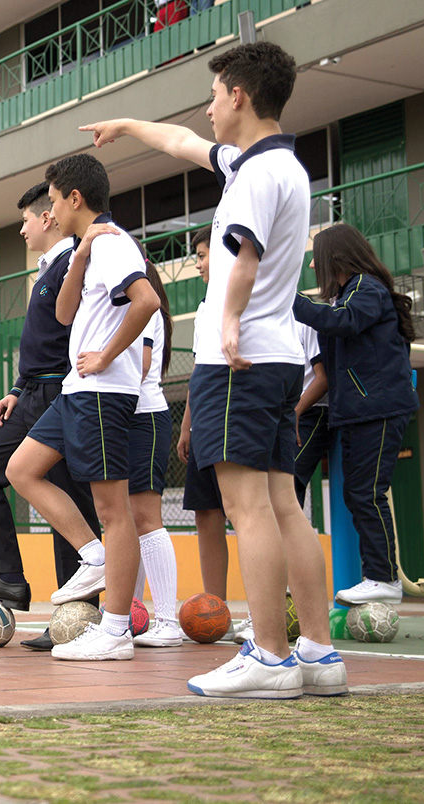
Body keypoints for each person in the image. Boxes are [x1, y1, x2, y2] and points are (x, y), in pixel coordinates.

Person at [79, 40, 346, 698]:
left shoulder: (255, 177)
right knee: (285, 506)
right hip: (278, 354)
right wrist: (128, 126)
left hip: (241, 357)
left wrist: (225, 323)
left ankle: (272, 659)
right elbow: (178, 142)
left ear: (239, 96)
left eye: (213, 94)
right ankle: (317, 651)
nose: (206, 108)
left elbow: (244, 260)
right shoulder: (276, 164)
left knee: (245, 507)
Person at [6, 153, 160, 663]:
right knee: (21, 469)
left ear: (75, 199)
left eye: (52, 201)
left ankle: (115, 629)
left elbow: (147, 302)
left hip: (102, 393)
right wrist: (80, 254)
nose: (48, 211)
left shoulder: (115, 244)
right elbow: (65, 311)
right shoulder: (89, 249)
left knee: (114, 512)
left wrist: (108, 354)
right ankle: (91, 554)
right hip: (76, 390)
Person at [0, 182, 100, 652]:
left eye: (26, 220)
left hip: (61, 390)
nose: (21, 229)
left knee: (67, 498)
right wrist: (17, 388)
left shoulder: (76, 261)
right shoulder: (48, 269)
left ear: (49, 217)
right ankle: (8, 578)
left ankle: (76, 619)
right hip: (34, 392)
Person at [293, 224, 419, 606]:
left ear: (336, 257)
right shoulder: (349, 294)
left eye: (317, 256)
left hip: (377, 408)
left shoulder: (365, 288)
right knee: (358, 493)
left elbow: (343, 321)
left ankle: (382, 576)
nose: (314, 264)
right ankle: (378, 575)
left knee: (367, 493)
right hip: (359, 411)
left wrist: (289, 298)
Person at [176, 227, 236, 640]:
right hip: (204, 421)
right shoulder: (203, 308)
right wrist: (187, 425)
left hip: (236, 416)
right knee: (206, 515)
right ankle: (217, 609)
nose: (197, 262)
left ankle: (271, 608)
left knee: (251, 513)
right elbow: (199, 371)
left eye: (202, 254)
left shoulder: (245, 296)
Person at [128, 261, 183, 647]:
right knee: (128, 523)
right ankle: (130, 613)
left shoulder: (144, 308)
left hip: (144, 417)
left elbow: (141, 365)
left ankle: (167, 620)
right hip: (130, 418)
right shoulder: (136, 307)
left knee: (146, 518)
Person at [293, 319, 329, 508]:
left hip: (311, 411)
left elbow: (323, 379)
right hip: (279, 415)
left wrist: (295, 412)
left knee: (287, 482)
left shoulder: (304, 321)